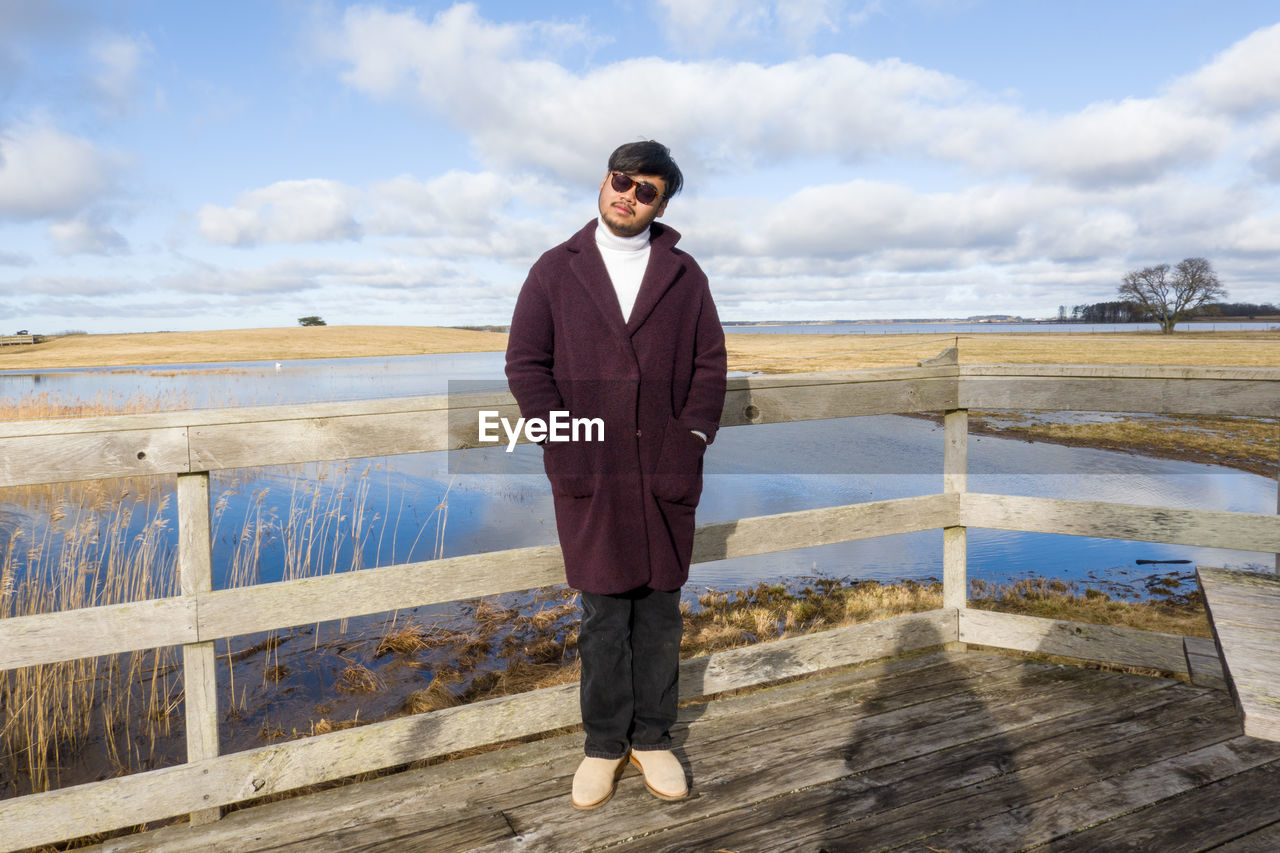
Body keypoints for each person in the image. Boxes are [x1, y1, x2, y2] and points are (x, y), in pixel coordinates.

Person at [505, 140, 727, 810]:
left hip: (664, 468)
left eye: (646, 190)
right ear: (605, 181)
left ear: (662, 202)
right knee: (603, 614)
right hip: (591, 470)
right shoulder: (555, 270)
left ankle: (653, 738)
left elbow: (711, 366)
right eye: (621, 180)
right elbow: (525, 365)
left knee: (659, 613)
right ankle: (603, 746)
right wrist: (566, 443)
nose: (628, 196)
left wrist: (688, 439)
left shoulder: (685, 276)